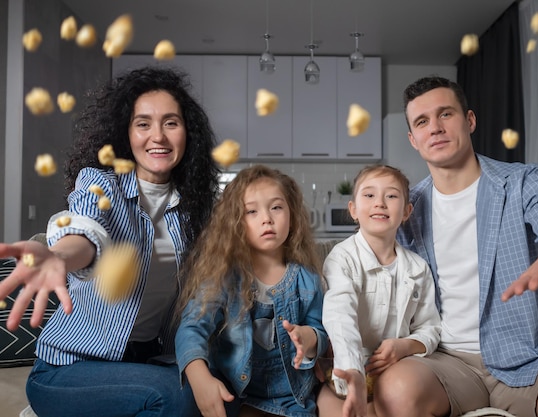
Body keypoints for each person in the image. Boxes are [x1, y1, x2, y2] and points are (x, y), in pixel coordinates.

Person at [0, 66, 221, 417]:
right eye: (143, 124)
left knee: (224, 394)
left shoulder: (195, 213)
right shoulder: (101, 185)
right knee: (177, 397)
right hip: (70, 368)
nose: (158, 137)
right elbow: (87, 232)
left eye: (171, 123)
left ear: (188, 133)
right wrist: (59, 256)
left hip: (144, 361)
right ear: (126, 133)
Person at [396, 75, 538, 417]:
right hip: (444, 360)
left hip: (530, 353)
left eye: (446, 114)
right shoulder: (407, 209)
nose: (435, 128)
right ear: (413, 139)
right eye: (422, 122)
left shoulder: (526, 181)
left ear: (469, 120)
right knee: (397, 392)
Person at [175, 164, 328, 417]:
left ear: (292, 215)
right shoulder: (223, 277)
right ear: (235, 222)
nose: (267, 218)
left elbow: (319, 332)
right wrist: (199, 378)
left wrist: (309, 339)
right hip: (235, 394)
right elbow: (192, 327)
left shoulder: (308, 278)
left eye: (276, 207)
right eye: (252, 211)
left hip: (293, 398)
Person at [317, 164, 441, 417]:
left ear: (406, 212)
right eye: (369, 195)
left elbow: (430, 327)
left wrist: (405, 346)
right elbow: (339, 316)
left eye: (392, 196)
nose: (380, 203)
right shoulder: (341, 259)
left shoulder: (418, 268)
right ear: (353, 210)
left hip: (396, 373)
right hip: (342, 374)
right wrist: (353, 372)